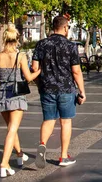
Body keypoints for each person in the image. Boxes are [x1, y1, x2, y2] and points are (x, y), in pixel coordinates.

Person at [32, 16, 86, 168]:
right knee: (65, 121)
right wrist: (82, 91)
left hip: (47, 88)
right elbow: (76, 71)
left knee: (49, 119)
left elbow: (35, 68)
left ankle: (42, 144)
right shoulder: (70, 46)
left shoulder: (42, 44)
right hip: (66, 89)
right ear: (64, 27)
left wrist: (40, 83)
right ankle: (63, 156)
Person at [0, 24, 41, 177]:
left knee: (11, 127)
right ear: (17, 40)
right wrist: (39, 71)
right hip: (16, 95)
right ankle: (4, 163)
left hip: (2, 94)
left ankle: (19, 154)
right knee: (12, 129)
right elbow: (28, 78)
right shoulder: (20, 56)